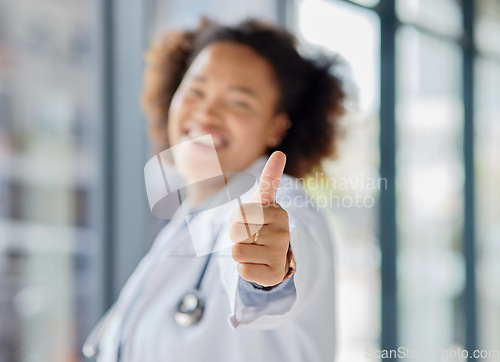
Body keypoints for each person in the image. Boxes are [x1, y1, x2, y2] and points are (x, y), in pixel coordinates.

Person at [84, 18, 346, 362]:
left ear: (276, 127)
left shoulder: (282, 202)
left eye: (238, 102)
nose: (206, 112)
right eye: (195, 90)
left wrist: (272, 273)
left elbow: (288, 253)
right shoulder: (186, 222)